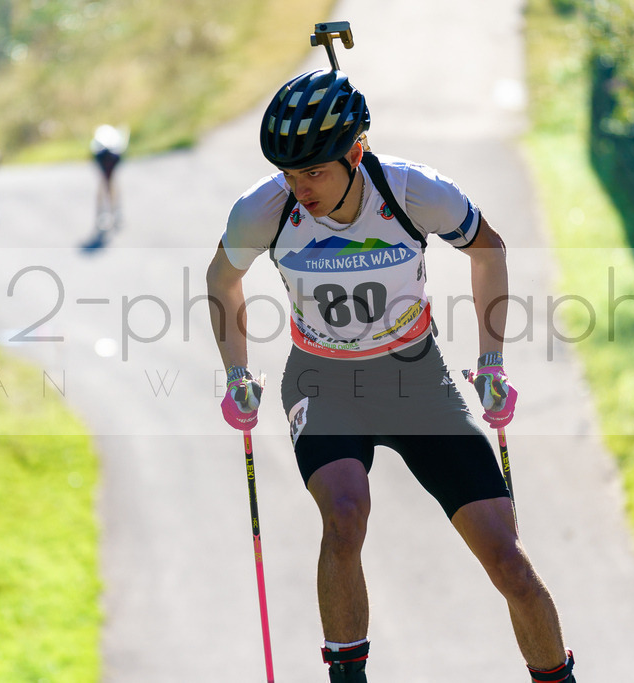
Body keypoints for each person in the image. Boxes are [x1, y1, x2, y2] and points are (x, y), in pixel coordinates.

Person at [206, 68, 577, 683]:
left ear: (356, 151)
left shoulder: (411, 191)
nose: (301, 188)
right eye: (290, 173)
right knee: (345, 512)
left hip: (416, 381)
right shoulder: (264, 209)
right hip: (323, 383)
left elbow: (489, 249)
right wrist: (236, 374)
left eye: (315, 171)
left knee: (507, 559)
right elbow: (222, 279)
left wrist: (491, 363)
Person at [84, 124, 129, 249]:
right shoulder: (98, 154)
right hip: (102, 158)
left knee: (113, 184)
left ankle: (116, 212)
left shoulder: (116, 153)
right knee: (103, 185)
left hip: (114, 157)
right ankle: (102, 214)